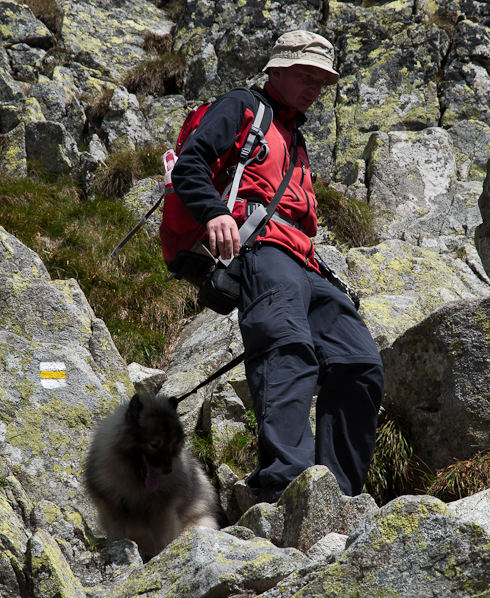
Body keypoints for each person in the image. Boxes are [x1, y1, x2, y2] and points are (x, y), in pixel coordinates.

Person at [170, 30, 384, 502]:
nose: (315, 87)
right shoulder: (243, 107)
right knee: (286, 347)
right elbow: (190, 165)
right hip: (262, 250)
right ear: (278, 70)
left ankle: (337, 496)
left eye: (322, 80)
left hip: (305, 259)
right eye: (306, 75)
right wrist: (215, 212)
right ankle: (286, 482)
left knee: (359, 362)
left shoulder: (295, 136)